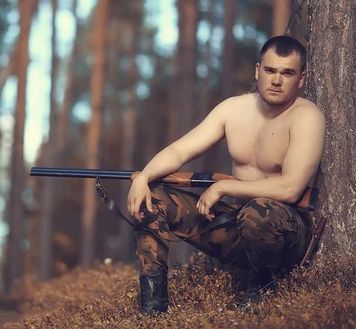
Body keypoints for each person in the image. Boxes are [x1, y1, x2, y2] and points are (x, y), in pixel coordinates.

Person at [127, 35, 326, 315]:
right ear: (258, 70)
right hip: (234, 224)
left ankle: (261, 293)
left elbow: (291, 188)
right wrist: (144, 177)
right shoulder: (234, 109)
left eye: (287, 73)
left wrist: (225, 188)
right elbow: (181, 150)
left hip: (285, 234)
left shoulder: (307, 117)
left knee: (258, 212)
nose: (276, 80)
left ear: (301, 78)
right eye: (270, 70)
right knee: (153, 197)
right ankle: (152, 308)